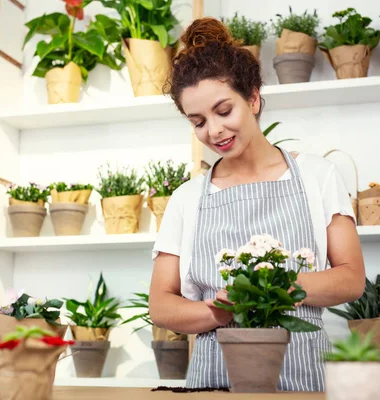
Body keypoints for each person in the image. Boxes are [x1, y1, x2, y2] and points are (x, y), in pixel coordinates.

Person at [148, 17, 365, 392]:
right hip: (215, 380)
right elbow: (162, 307)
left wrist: (272, 289)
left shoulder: (318, 175)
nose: (213, 131)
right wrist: (219, 310)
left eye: (224, 110)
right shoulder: (186, 199)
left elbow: (350, 278)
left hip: (303, 379)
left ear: (253, 97)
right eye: (197, 121)